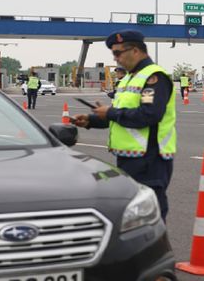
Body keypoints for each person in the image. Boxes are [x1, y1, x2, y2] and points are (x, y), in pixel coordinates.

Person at [73, 30, 176, 221]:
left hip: (149, 159)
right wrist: (91, 120)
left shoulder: (154, 77)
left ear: (135, 50)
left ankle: (156, 250)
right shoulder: (128, 79)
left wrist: (110, 112)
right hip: (129, 158)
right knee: (134, 215)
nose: (116, 58)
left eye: (118, 53)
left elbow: (149, 115)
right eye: (113, 54)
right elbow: (122, 116)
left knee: (150, 216)